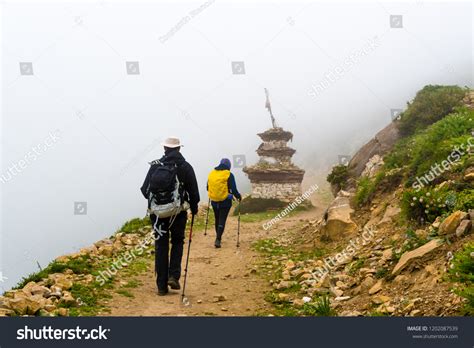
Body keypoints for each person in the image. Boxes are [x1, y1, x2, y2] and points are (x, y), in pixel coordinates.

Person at [140, 137, 200, 296]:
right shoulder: (186, 167)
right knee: (177, 241)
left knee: (161, 245)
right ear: (179, 149)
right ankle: (173, 276)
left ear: (165, 149)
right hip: (178, 213)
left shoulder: (154, 166)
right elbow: (194, 193)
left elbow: (144, 190)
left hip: (158, 215)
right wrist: (193, 209)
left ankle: (161, 286)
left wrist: (158, 204)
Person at [207, 158, 242, 248]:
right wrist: (238, 196)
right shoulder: (229, 174)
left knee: (217, 218)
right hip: (225, 201)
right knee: (222, 219)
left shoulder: (212, 173)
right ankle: (218, 239)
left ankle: (218, 237)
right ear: (229, 166)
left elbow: (207, 187)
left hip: (214, 200)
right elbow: (234, 189)